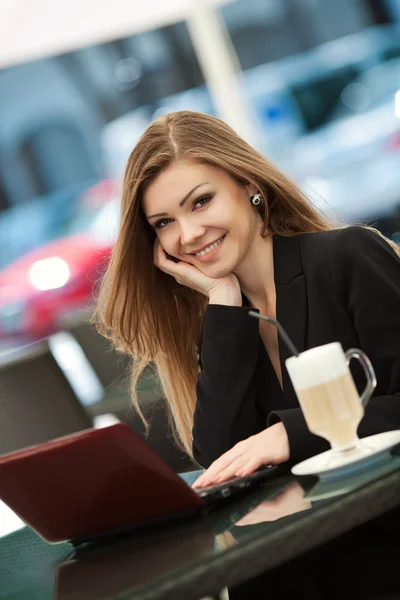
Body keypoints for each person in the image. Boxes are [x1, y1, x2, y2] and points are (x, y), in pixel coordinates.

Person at [94, 110, 400, 487]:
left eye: (201, 201)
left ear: (248, 184)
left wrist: (290, 434)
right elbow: (223, 459)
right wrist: (223, 300)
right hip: (307, 531)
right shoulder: (223, 324)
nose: (188, 234)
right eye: (164, 222)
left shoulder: (347, 256)